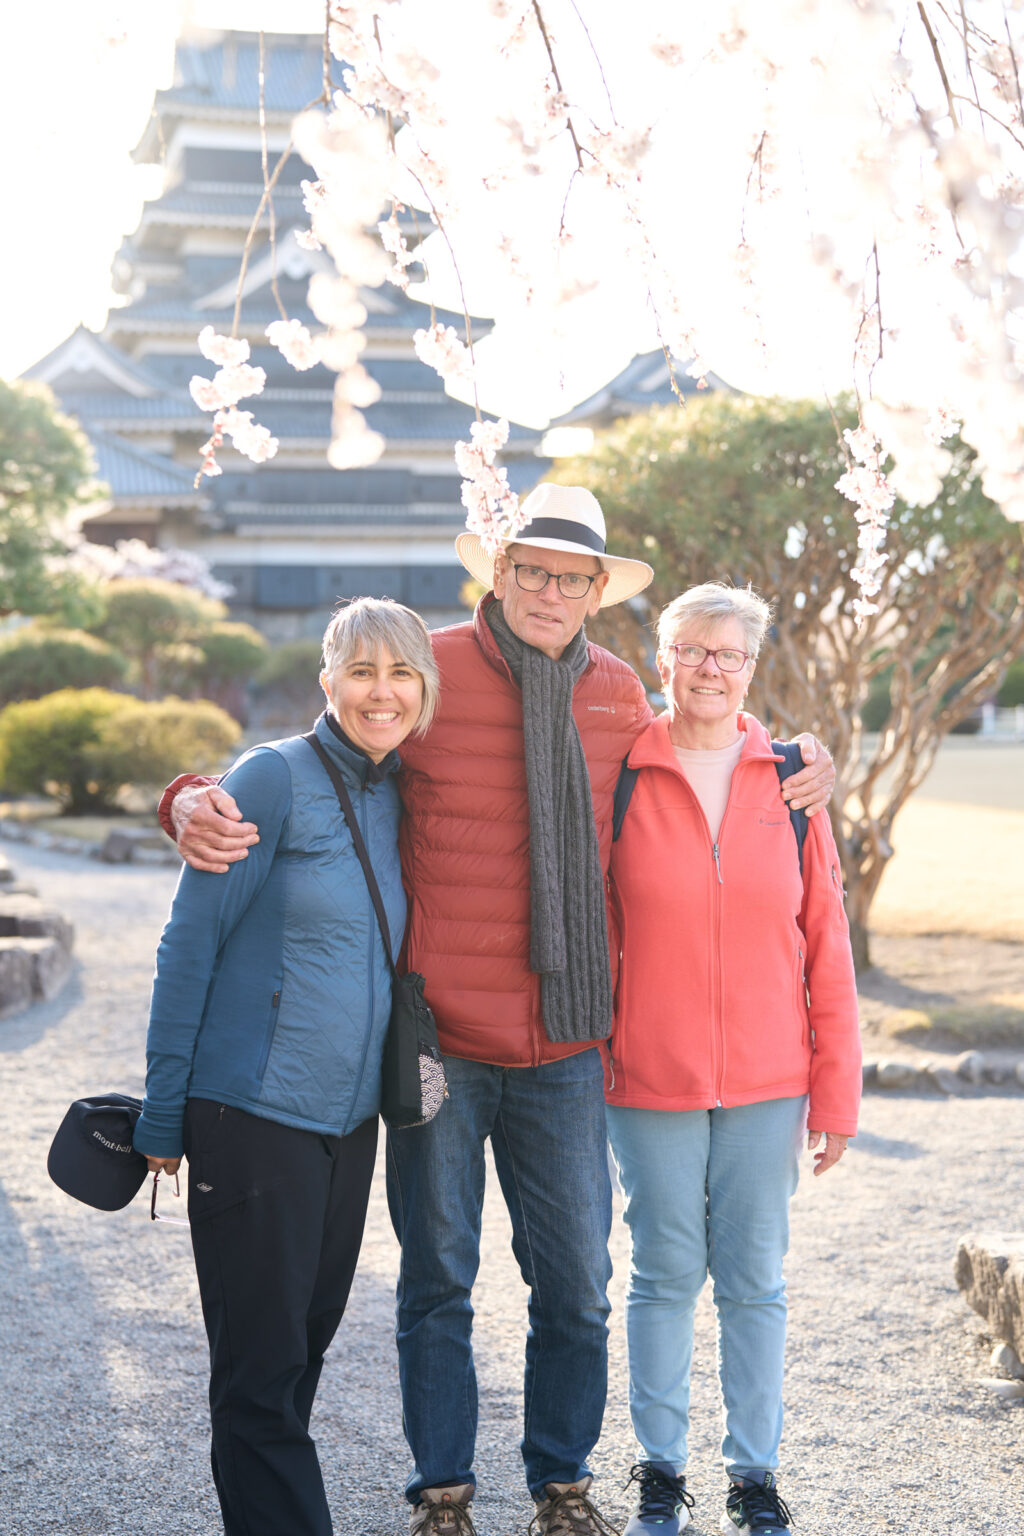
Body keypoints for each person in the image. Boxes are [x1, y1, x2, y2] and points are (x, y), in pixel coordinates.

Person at [162, 485, 836, 1536]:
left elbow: (711, 745)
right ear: (498, 574)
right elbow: (324, 751)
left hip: (566, 1040)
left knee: (576, 1285)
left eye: (572, 577)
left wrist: (799, 759)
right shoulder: (424, 669)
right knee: (438, 1278)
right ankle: (442, 1490)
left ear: (598, 592)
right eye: (531, 571)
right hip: (435, 1043)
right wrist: (188, 796)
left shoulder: (618, 697)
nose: (550, 592)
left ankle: (561, 1483)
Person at [133, 597, 440, 1536]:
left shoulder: (403, 789)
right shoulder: (271, 778)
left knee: (300, 1350)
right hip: (249, 1117)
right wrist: (161, 1114)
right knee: (261, 1375)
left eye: (400, 675)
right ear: (327, 681)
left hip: (349, 1131)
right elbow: (189, 947)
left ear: (424, 691)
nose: (380, 693)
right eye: (361, 671)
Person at [605, 583, 861, 1536]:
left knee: (755, 1280)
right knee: (664, 1273)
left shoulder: (792, 784)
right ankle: (660, 1475)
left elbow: (825, 940)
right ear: (662, 657)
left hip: (769, 1080)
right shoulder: (622, 772)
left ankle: (755, 1476)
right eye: (694, 651)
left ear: (752, 668)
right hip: (649, 1078)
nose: (711, 669)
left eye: (731, 655)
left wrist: (835, 1092)